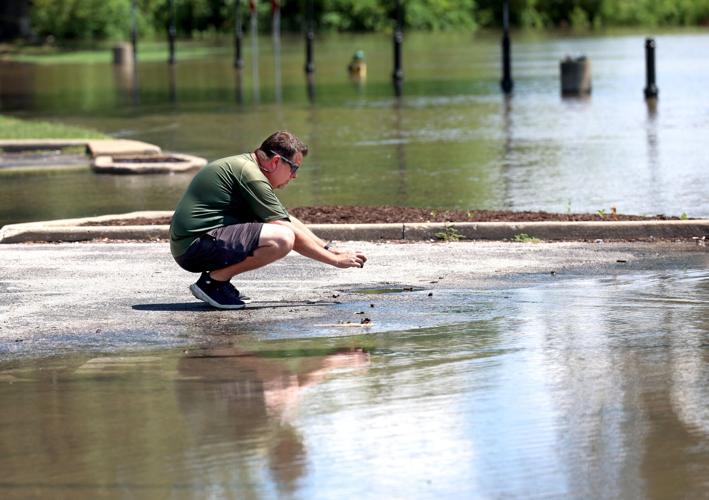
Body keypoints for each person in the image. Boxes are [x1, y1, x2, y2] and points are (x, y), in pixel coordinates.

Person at [169, 130, 367, 309]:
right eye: (294, 169)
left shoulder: (247, 167)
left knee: (281, 229)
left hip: (195, 244)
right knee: (281, 239)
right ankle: (213, 283)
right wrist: (335, 261)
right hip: (193, 248)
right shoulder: (251, 175)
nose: (294, 177)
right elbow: (284, 228)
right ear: (275, 162)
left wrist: (328, 248)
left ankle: (219, 281)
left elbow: (285, 218)